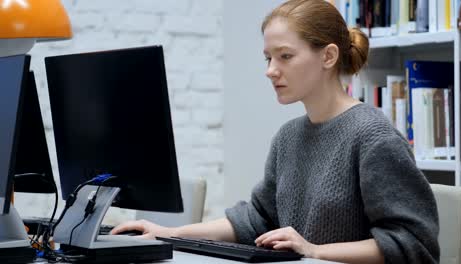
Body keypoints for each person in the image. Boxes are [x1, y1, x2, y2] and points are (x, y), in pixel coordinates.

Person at [112, 0, 440, 263]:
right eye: (268, 57)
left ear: (328, 56)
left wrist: (314, 251)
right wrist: (167, 233)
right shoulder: (288, 136)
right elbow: (255, 218)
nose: (271, 70)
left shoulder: (373, 135)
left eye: (285, 56)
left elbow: (413, 244)